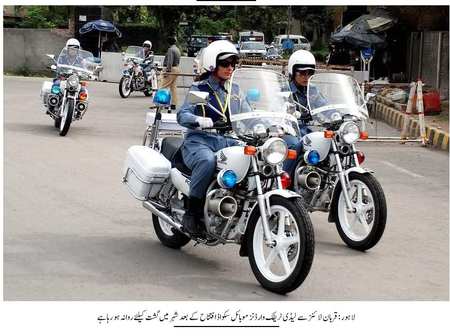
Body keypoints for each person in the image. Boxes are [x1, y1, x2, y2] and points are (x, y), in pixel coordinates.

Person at [177, 40, 240, 237]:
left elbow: (248, 113)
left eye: (233, 64)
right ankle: (192, 213)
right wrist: (200, 120)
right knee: (207, 161)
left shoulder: (235, 90)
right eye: (225, 63)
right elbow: (183, 115)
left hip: (227, 140)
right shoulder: (201, 89)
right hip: (200, 140)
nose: (230, 68)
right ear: (213, 64)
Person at [283, 50, 317, 176]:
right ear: (293, 71)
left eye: (310, 73)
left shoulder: (313, 91)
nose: (306, 77)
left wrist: (338, 114)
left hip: (308, 129)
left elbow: (324, 105)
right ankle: (284, 178)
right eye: (302, 72)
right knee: (295, 144)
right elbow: (276, 109)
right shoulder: (284, 90)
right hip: (290, 130)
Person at [161, 36, 181, 110]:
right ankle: (173, 104)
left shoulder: (170, 50)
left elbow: (170, 61)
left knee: (164, 86)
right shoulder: (177, 49)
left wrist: (167, 71)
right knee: (173, 87)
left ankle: (163, 103)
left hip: (171, 69)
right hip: (177, 68)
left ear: (168, 43)